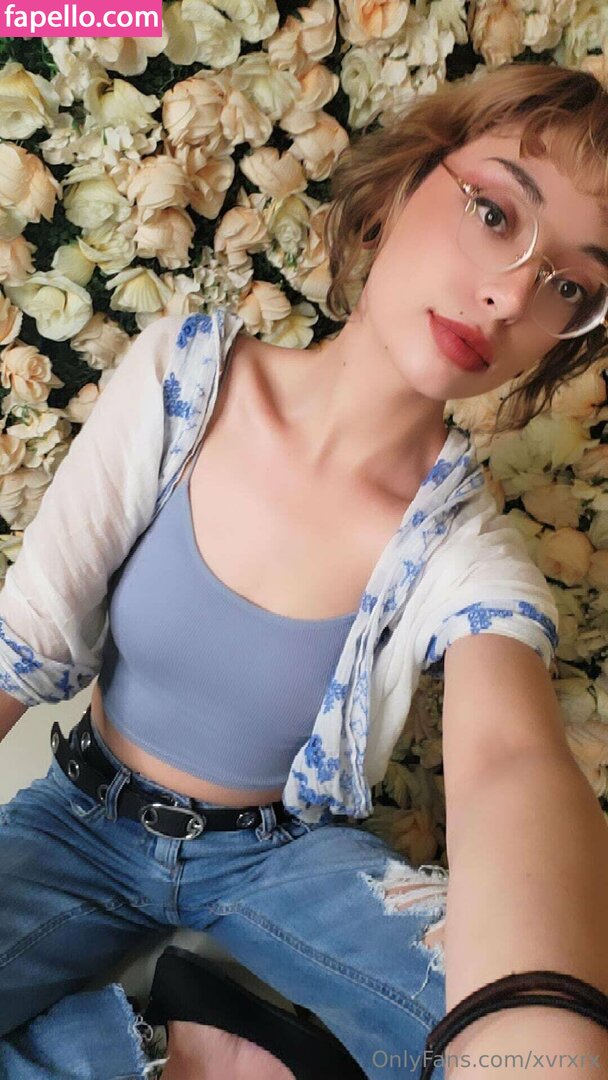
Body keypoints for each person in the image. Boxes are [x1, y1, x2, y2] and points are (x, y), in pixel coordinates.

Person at [1, 59, 608, 1079]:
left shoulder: (465, 547)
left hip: (285, 861)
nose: (510, 294)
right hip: (80, 822)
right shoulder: (183, 382)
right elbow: (21, 644)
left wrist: (541, 1025)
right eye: (496, 213)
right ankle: (167, 1050)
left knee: (498, 1045)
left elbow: (510, 758)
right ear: (399, 188)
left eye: (568, 286)